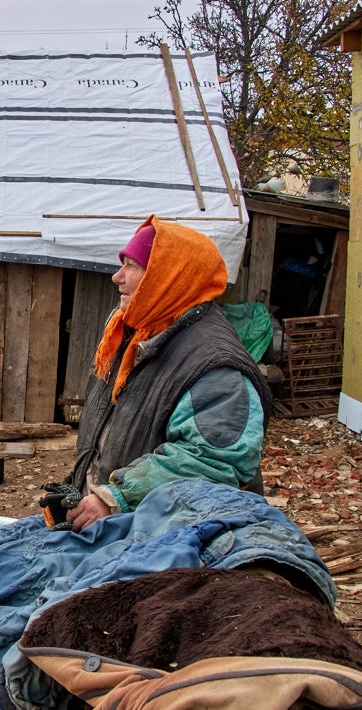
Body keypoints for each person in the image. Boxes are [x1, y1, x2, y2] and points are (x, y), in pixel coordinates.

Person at [63, 215, 273, 530]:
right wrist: (83, 486)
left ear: (168, 276)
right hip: (120, 523)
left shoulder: (214, 365)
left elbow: (212, 461)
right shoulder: (131, 332)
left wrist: (116, 497)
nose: (117, 277)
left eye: (132, 266)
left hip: (170, 537)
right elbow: (108, 433)